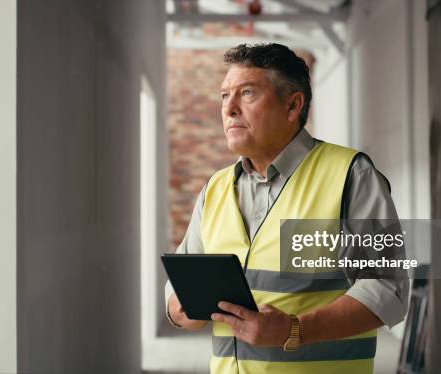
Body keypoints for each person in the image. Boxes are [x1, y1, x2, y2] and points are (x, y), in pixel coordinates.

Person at [164, 43, 409, 374]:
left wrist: (293, 330)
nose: (230, 109)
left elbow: (388, 289)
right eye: (224, 96)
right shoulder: (216, 189)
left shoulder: (350, 176)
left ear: (293, 105)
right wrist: (178, 308)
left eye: (246, 93)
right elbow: (181, 290)